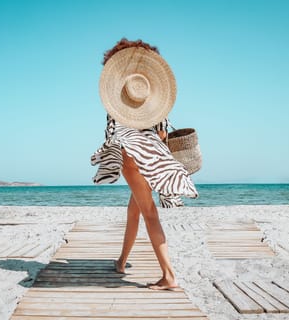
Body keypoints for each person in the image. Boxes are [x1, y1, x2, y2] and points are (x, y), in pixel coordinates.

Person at [91, 38, 198, 290]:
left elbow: (112, 136)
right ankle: (121, 261)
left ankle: (169, 275)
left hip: (131, 158)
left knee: (149, 213)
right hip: (154, 158)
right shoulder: (156, 103)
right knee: (135, 210)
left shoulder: (116, 104)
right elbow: (162, 135)